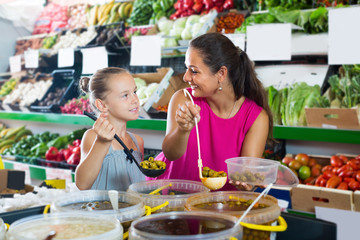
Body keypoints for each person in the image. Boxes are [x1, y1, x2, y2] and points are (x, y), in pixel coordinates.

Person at [151, 32, 273, 190]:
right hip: (173, 200)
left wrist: (246, 182)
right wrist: (183, 130)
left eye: (194, 71)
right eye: (187, 68)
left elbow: (246, 177)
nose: (185, 77)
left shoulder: (256, 118)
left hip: (220, 206)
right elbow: (170, 154)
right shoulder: (184, 99)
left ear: (221, 74)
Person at [75, 67, 145, 191]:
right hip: (102, 210)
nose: (135, 100)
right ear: (102, 105)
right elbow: (82, 184)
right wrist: (102, 142)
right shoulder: (93, 136)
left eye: (134, 92)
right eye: (125, 95)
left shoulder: (137, 142)